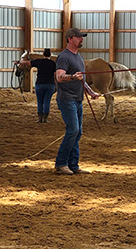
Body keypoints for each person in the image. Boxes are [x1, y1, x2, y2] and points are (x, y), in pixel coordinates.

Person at [54, 28, 99, 175]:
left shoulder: (79, 57)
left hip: (78, 99)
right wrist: (73, 77)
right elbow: (60, 77)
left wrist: (90, 92)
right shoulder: (64, 57)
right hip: (67, 99)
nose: (82, 40)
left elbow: (82, 79)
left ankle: (73, 165)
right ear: (70, 39)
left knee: (78, 132)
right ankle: (61, 164)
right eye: (79, 37)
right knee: (73, 130)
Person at [19, 48, 56, 123]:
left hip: (40, 84)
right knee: (47, 101)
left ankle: (39, 118)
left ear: (43, 54)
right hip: (50, 84)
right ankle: (45, 118)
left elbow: (27, 63)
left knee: (39, 101)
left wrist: (19, 62)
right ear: (50, 55)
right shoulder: (53, 63)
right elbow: (55, 74)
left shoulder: (39, 61)